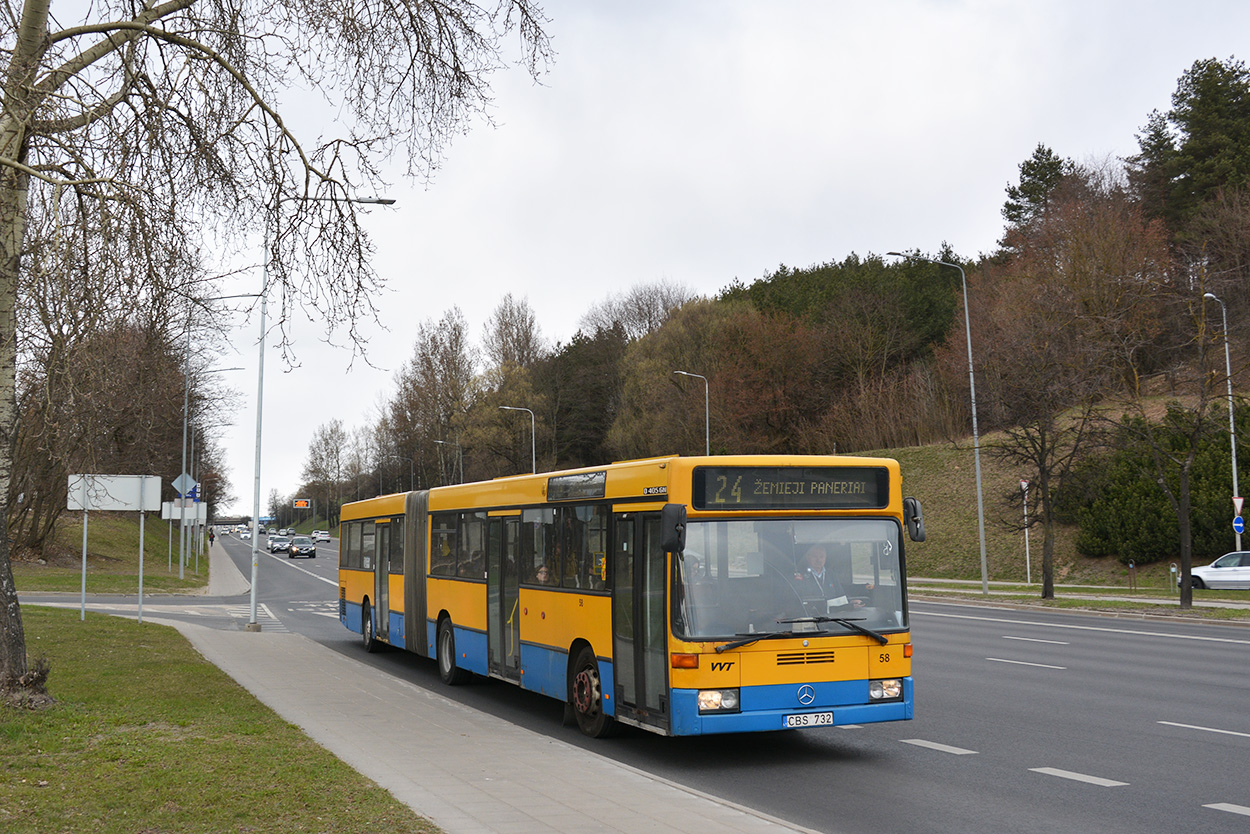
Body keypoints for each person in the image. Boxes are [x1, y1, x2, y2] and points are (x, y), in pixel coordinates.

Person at [795, 544, 854, 609]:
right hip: (812, 614)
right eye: (815, 556)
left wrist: (850, 602)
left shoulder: (831, 574)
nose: (818, 560)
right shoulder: (800, 575)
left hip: (833, 613)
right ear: (808, 557)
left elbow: (840, 594)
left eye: (821, 557)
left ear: (825, 558)